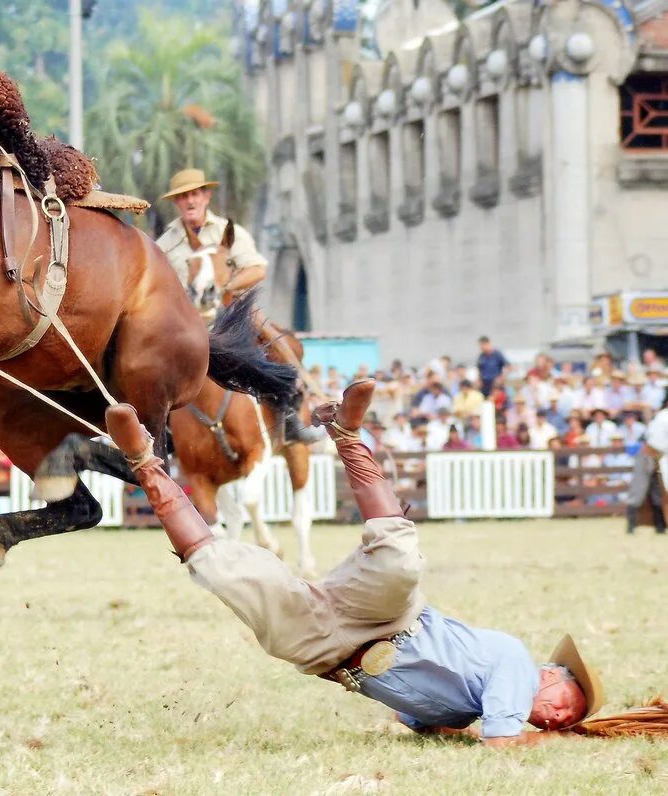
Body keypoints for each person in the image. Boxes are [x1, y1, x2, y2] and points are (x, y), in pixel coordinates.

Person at [106, 383, 603, 747]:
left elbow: (420, 717)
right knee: (400, 560)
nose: (557, 718)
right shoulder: (516, 666)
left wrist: (438, 725)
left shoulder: (469, 705)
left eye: (560, 721)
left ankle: (145, 464)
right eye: (566, 704)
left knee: (220, 571)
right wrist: (568, 740)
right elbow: (502, 744)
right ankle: (346, 433)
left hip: (329, 653)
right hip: (389, 617)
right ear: (550, 672)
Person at [154, 168, 320, 445]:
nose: (190, 201)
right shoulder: (165, 243)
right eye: (183, 197)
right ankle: (161, 429)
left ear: (206, 196)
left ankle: (288, 415)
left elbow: (257, 269)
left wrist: (225, 286)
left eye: (195, 194)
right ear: (176, 203)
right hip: (185, 320)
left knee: (282, 346)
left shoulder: (228, 232)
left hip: (230, 311)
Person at [625, 394, 668, 535]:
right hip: (651, 454)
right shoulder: (663, 417)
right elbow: (654, 442)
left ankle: (660, 526)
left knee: (657, 492)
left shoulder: (661, 416)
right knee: (640, 489)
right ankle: (631, 526)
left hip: (661, 456)